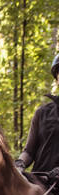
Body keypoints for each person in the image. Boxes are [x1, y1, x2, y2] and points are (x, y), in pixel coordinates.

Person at [15, 53, 59, 186]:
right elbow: (29, 151)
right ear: (57, 80)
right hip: (38, 184)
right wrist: (19, 163)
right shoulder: (42, 113)